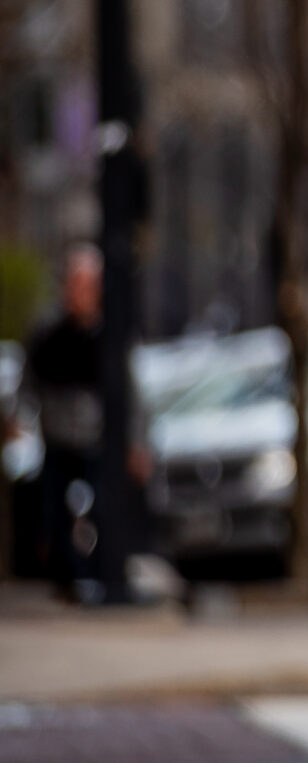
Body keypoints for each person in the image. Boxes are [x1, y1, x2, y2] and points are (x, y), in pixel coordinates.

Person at [25, 244, 146, 598]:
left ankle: (100, 577)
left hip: (98, 443)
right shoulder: (48, 333)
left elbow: (133, 394)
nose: (79, 292)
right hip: (58, 442)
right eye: (74, 283)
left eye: (86, 284)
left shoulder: (111, 336)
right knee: (53, 514)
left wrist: (136, 442)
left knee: (105, 510)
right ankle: (68, 580)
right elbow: (28, 382)